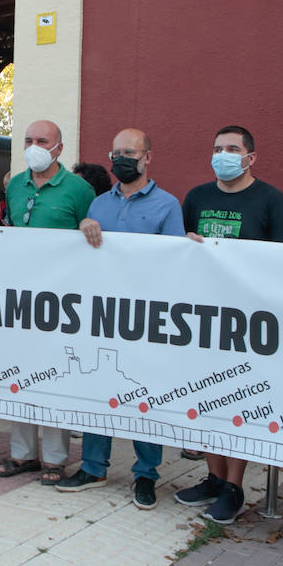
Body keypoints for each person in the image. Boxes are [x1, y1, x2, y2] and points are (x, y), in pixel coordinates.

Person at [174, 125, 283, 524]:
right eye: (216, 148)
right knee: (207, 399)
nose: (222, 154)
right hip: (203, 317)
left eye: (232, 148)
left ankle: (234, 486)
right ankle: (212, 477)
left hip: (246, 322)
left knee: (239, 403)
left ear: (250, 158)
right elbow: (180, 250)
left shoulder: (270, 199)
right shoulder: (196, 197)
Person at [57, 129, 184, 507]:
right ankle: (93, 467)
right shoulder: (98, 205)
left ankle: (146, 475)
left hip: (146, 317)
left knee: (144, 394)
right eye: (116, 153)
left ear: (148, 158)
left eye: (130, 153)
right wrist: (83, 226)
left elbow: (176, 261)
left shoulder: (167, 205)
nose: (122, 160)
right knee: (99, 387)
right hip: (101, 314)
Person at [0, 120, 94, 484]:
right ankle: (23, 454)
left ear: (59, 148)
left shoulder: (80, 189)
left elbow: (93, 234)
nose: (34, 146)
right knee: (19, 374)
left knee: (55, 376)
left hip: (61, 300)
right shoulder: (15, 185)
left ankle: (55, 458)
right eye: (28, 140)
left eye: (42, 141)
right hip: (19, 298)